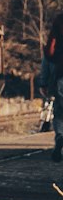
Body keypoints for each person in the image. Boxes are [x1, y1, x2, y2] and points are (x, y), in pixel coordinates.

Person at [39, 14, 63, 161]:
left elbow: (47, 59)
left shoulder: (57, 27)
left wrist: (43, 83)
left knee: (59, 113)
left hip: (59, 78)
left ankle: (60, 136)